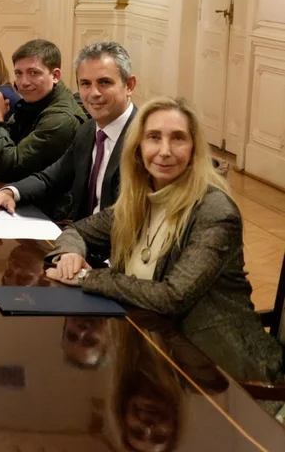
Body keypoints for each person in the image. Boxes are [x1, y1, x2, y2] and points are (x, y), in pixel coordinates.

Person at [46, 97, 283, 385]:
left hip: (220, 373)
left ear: (194, 149)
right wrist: (70, 254)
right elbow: (77, 232)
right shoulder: (139, 199)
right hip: (153, 354)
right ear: (138, 148)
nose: (165, 151)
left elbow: (173, 297)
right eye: (154, 137)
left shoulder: (215, 211)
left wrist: (88, 278)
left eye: (178, 138)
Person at [0, 41, 137, 221]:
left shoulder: (143, 139)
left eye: (104, 82)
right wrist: (10, 192)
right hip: (78, 232)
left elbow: (121, 216)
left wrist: (73, 235)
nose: (94, 93)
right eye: (85, 83)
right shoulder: (89, 130)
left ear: (129, 85)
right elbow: (50, 179)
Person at [0, 39, 87, 181]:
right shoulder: (33, 103)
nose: (24, 82)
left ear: (55, 76)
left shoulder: (61, 119)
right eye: (18, 73)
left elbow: (10, 170)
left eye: (33, 73)